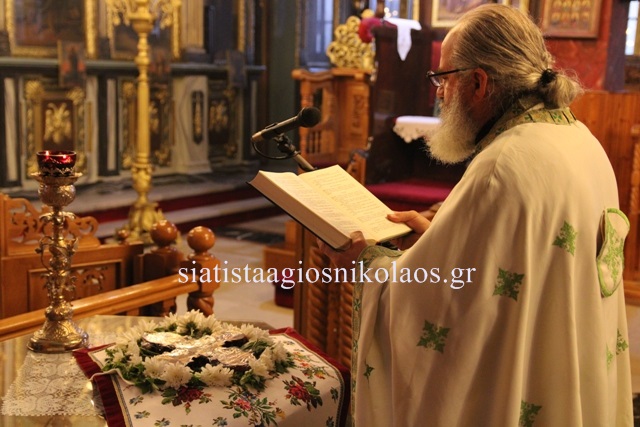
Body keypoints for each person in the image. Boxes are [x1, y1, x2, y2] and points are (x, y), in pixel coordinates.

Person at [318, 4, 633, 426]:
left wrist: (364, 263)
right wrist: (441, 236)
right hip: (567, 372)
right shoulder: (580, 139)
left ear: (479, 82)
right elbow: (522, 267)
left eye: (443, 78)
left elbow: (443, 313)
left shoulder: (503, 165)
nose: (439, 93)